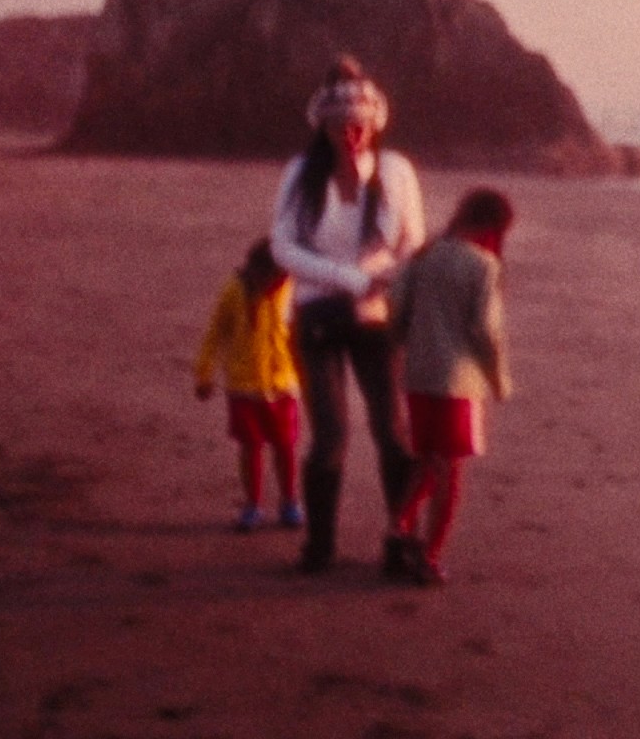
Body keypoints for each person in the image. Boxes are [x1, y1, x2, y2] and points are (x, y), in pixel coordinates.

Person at [273, 57, 428, 577]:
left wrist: (378, 277)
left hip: (377, 319)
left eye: (361, 124)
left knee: (393, 433)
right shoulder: (300, 173)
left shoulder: (396, 171)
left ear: (375, 122)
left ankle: (400, 540)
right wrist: (350, 279)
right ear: (325, 125)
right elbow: (283, 247)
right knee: (331, 436)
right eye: (343, 125)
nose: (353, 134)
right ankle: (319, 548)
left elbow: (412, 241)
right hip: (316, 318)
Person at [381, 187, 516, 585]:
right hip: (457, 381)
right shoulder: (484, 265)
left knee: (426, 460)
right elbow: (485, 330)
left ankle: (397, 532)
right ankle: (429, 554)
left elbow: (396, 310)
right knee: (449, 472)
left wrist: (403, 352)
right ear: (495, 227)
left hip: (419, 375)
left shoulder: (424, 254)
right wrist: (499, 380)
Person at [192, 237, 305, 533]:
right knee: (250, 446)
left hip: (282, 384)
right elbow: (215, 332)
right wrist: (204, 373)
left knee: (285, 446)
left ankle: (289, 501)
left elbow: (297, 333)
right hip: (244, 385)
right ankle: (253, 504)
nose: (274, 284)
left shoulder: (289, 288)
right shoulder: (234, 290)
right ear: (256, 271)